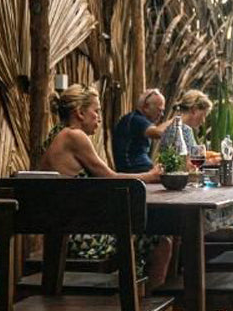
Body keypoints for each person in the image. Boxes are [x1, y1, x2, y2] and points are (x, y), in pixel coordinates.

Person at [39, 84, 171, 285]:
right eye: (96, 111)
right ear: (80, 113)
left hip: (60, 233)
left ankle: (135, 293)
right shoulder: (74, 136)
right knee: (161, 240)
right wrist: (150, 176)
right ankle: (142, 300)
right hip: (81, 237)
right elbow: (110, 178)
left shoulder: (56, 134)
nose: (99, 118)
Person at [112, 89, 177, 173]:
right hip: (133, 172)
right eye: (159, 110)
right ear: (146, 107)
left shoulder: (140, 120)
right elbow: (158, 133)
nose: (162, 114)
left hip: (142, 169)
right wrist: (176, 119)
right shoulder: (135, 119)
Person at [161, 89, 213, 154]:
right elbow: (187, 157)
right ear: (194, 110)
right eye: (203, 115)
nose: (203, 121)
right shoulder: (182, 130)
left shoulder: (179, 128)